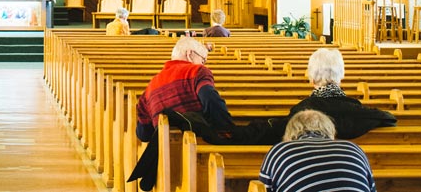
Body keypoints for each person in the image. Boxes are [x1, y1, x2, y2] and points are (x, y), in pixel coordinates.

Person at [127, 37, 235, 191]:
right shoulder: (197, 71)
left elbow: (143, 134)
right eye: (203, 59)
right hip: (202, 152)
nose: (204, 63)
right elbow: (210, 100)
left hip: (164, 160)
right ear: (190, 54)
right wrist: (228, 131)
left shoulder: (150, 88)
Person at [284, 48, 395, 139]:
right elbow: (390, 119)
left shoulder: (300, 113)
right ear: (340, 78)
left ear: (312, 79)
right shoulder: (361, 112)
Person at [259, 110, 376, 192]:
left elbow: (264, 188)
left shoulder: (280, 151)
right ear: (330, 129)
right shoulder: (353, 148)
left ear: (291, 131)